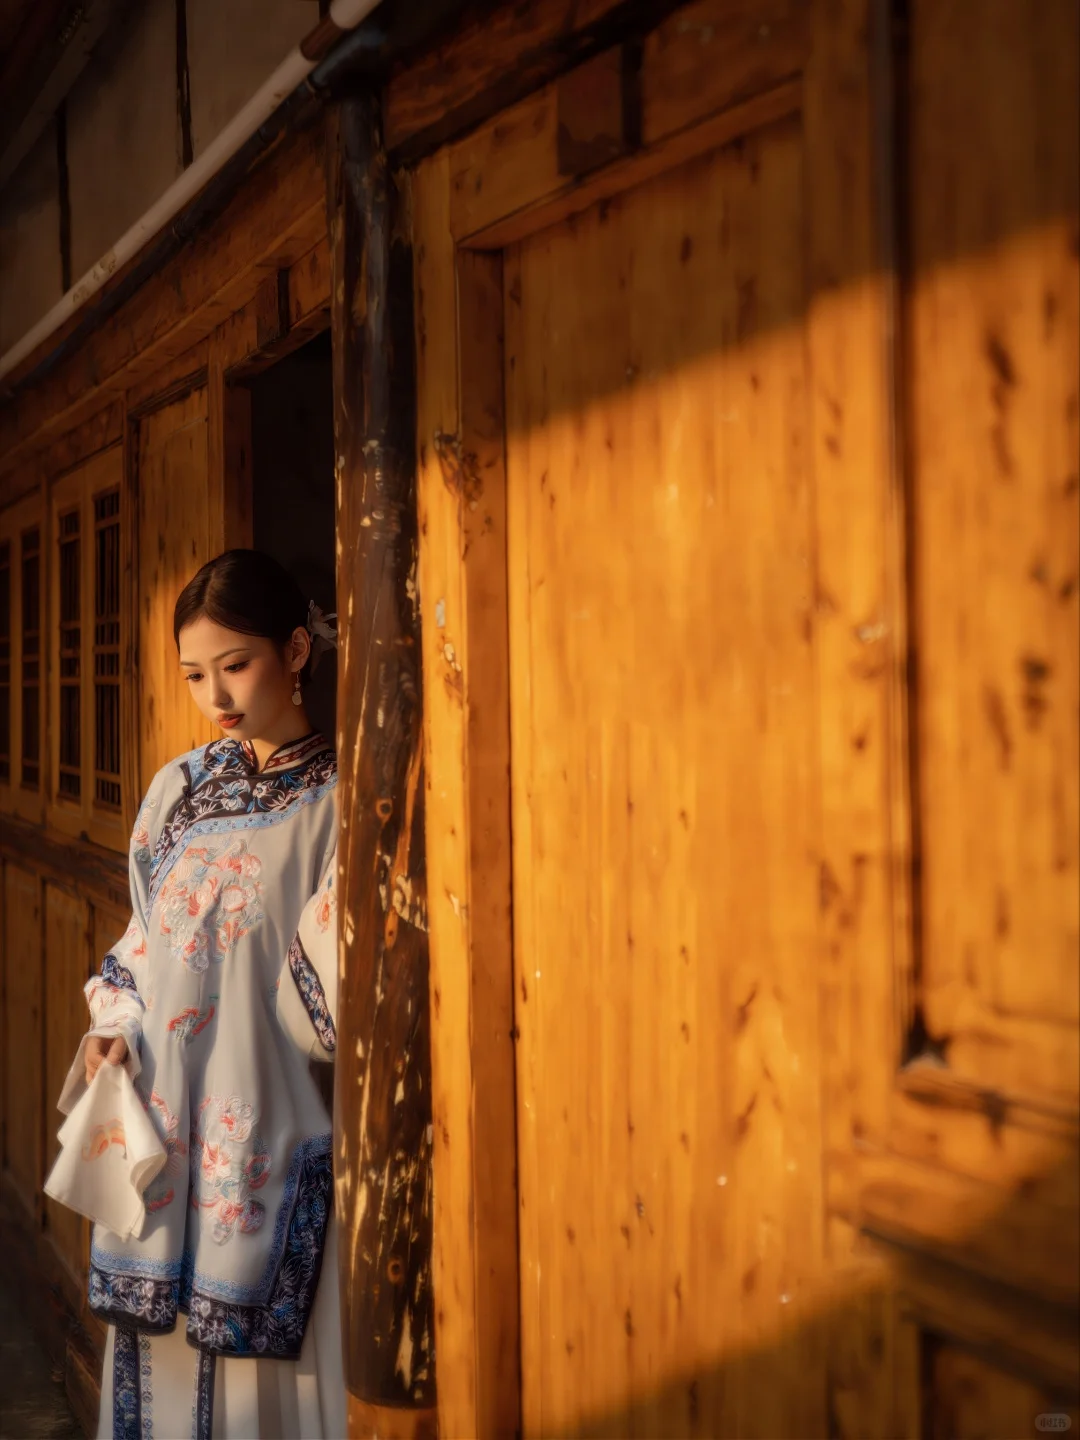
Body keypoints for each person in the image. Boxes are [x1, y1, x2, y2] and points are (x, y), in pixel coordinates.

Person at [60, 550, 343, 1440]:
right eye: (194, 674)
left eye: (236, 665)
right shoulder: (176, 790)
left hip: (270, 1118)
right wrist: (118, 1022)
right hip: (165, 1111)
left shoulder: (342, 799)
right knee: (164, 1358)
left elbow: (330, 997)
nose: (216, 696)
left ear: (296, 650)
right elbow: (143, 939)